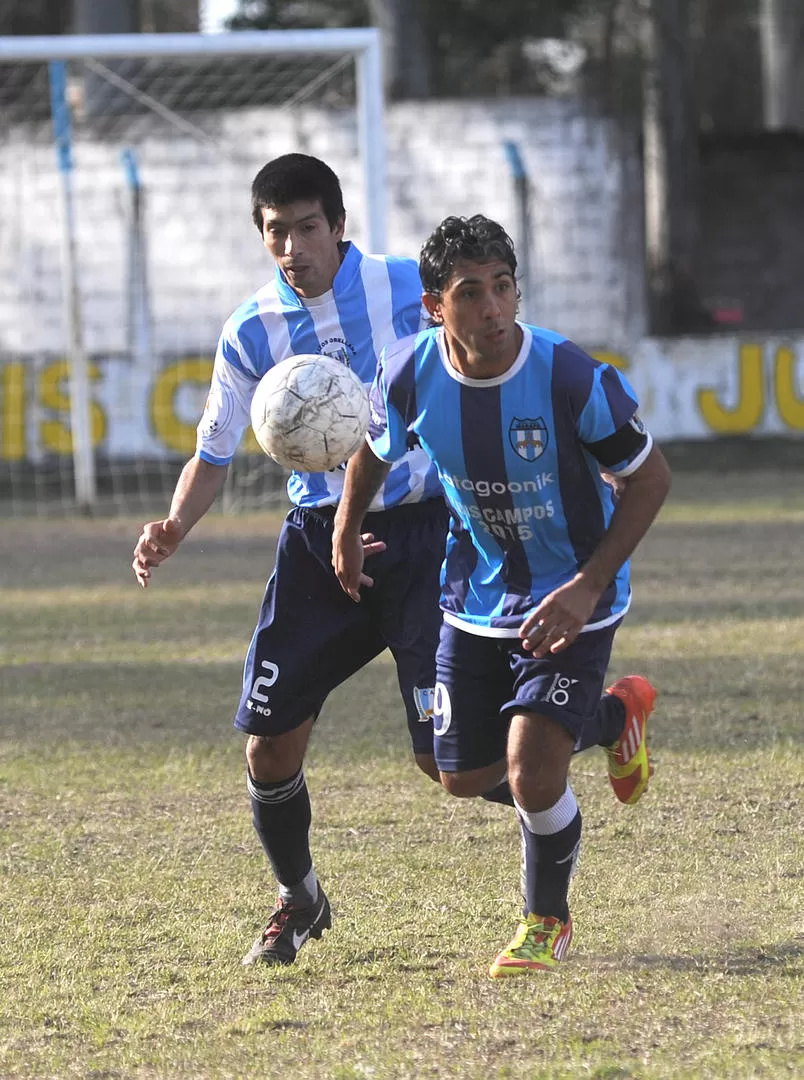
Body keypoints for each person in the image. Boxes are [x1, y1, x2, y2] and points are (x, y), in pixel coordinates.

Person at [331, 214, 672, 978]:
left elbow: (649, 478)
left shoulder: (567, 375)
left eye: (503, 288)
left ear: (518, 290)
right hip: (477, 595)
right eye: (471, 292)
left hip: (574, 592)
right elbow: (372, 451)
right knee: (461, 777)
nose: (491, 308)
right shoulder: (410, 375)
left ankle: (545, 921)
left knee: (531, 772)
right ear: (433, 305)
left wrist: (587, 588)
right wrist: (346, 529)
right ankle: (617, 717)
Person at [132, 153, 451, 967]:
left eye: (307, 226)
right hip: (317, 543)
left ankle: (602, 717)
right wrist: (173, 523)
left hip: (423, 534)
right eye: (277, 230)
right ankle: (299, 898)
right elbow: (213, 450)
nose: (293, 245)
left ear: (338, 225)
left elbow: (479, 359)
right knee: (268, 746)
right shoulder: (250, 331)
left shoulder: (406, 285)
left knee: (445, 758)